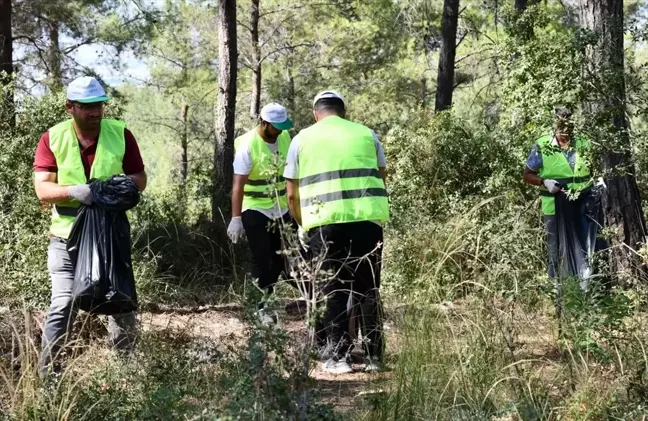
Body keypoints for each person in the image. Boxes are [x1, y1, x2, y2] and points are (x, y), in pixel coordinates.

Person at [33, 76, 147, 377]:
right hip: (65, 239)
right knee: (63, 305)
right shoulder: (52, 137)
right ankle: (49, 380)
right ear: (70, 107)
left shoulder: (121, 133)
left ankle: (125, 378)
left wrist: (111, 187)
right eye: (87, 107)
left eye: (99, 106)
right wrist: (76, 191)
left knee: (121, 304)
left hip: (110, 236)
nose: (95, 113)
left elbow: (139, 179)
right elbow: (43, 190)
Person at [283, 90, 389, 374]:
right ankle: (373, 357)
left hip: (325, 224)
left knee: (335, 289)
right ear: (343, 112)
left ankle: (339, 358)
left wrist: (303, 223)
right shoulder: (368, 135)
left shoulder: (301, 139)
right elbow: (381, 175)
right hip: (368, 220)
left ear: (315, 113)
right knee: (368, 289)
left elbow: (291, 193)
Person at [227, 103, 295, 325]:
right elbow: (238, 186)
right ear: (264, 123)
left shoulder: (285, 137)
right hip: (255, 207)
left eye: (282, 126)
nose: (280, 131)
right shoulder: (248, 145)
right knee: (263, 258)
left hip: (281, 206)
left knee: (280, 260)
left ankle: (267, 299)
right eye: (276, 126)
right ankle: (259, 307)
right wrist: (236, 218)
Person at [523, 107, 594, 314]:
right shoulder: (543, 145)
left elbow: (595, 170)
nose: (564, 128)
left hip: (583, 206)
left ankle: (586, 294)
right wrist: (544, 182)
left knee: (586, 247)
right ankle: (558, 297)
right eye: (560, 123)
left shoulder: (584, 143)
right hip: (554, 206)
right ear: (554, 124)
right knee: (556, 251)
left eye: (567, 123)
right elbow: (527, 175)